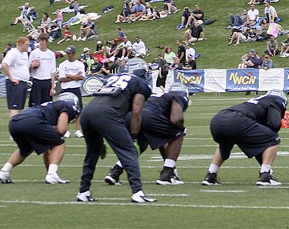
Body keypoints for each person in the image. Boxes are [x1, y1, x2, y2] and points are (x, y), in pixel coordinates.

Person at [76, 58, 155, 203]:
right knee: (129, 151)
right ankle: (137, 192)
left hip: (87, 112)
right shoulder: (140, 84)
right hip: (107, 114)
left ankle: (83, 191)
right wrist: (134, 137)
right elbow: (136, 112)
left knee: (92, 153)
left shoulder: (114, 77)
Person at [105, 85, 190, 186]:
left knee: (141, 144)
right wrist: (182, 128)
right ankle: (167, 175)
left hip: (131, 117)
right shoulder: (179, 95)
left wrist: (168, 163)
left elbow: (160, 140)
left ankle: (116, 171)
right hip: (149, 116)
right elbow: (177, 119)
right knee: (178, 133)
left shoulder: (157, 96)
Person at [202, 90, 287, 187]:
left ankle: (211, 175)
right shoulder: (277, 100)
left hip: (218, 119)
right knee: (273, 139)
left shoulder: (258, 100)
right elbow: (275, 124)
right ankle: (265, 176)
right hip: (238, 120)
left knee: (225, 143)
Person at [0, 93, 81, 185]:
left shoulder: (50, 106)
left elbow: (48, 148)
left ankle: (4, 172)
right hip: (32, 121)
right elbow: (61, 130)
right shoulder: (67, 105)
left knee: (26, 148)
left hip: (14, 122)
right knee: (60, 143)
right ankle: (52, 174)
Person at [57, 45, 85, 138]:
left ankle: (78, 130)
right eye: (67, 53)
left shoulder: (79, 64)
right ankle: (65, 130)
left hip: (75, 89)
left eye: (70, 53)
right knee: (65, 111)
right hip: (65, 89)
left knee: (78, 110)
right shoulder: (62, 65)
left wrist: (70, 76)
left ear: (74, 54)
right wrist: (75, 76)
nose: (68, 55)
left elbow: (81, 77)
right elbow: (62, 78)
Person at [2, 37, 31, 119]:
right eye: (27, 45)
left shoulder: (25, 54)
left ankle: (17, 126)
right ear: (21, 44)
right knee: (15, 108)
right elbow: (4, 64)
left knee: (20, 107)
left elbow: (24, 67)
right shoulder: (13, 52)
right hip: (15, 83)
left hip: (23, 82)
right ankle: (13, 127)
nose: (28, 47)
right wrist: (11, 78)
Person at [28, 33, 57, 106]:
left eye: (43, 40)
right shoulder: (34, 53)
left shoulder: (50, 54)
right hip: (37, 81)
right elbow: (28, 68)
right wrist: (32, 65)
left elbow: (53, 71)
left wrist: (52, 87)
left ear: (47, 42)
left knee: (47, 106)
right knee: (35, 106)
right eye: (40, 40)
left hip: (47, 81)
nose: (41, 42)